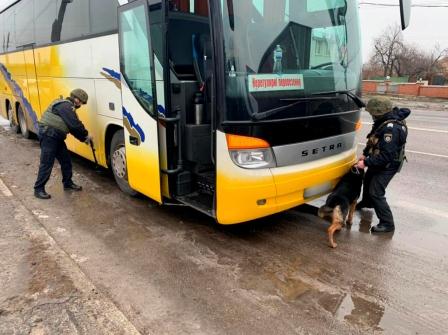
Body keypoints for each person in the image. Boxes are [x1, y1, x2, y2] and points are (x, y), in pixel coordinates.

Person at [355, 96, 410, 233]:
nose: (372, 115)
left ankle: (387, 223)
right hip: (378, 159)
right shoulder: (383, 121)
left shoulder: (391, 129)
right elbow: (373, 138)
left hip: (388, 165)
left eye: (373, 113)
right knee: (367, 180)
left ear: (379, 112)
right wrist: (365, 153)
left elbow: (386, 157)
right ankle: (367, 202)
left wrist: (365, 163)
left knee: (376, 192)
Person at [34, 89, 92, 199]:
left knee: (66, 160)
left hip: (56, 137)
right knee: (47, 163)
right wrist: (85, 136)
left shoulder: (68, 107)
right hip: (49, 135)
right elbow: (75, 126)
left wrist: (84, 139)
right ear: (76, 99)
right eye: (81, 102)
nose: (81, 105)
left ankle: (67, 183)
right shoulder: (66, 106)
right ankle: (38, 189)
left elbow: (72, 128)